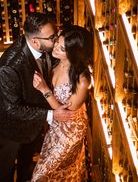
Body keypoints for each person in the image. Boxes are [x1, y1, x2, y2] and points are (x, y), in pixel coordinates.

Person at [0, 13, 76, 182]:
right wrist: (50, 115)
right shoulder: (9, 65)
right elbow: (11, 108)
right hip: (9, 126)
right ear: (35, 41)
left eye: (56, 34)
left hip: (32, 123)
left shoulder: (48, 48)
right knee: (6, 169)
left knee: (26, 163)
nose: (57, 40)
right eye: (52, 37)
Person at [31, 25, 93, 181]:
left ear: (73, 53)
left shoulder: (83, 80)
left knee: (41, 175)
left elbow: (65, 113)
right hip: (55, 127)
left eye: (62, 48)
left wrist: (44, 89)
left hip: (71, 132)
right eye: (57, 42)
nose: (56, 48)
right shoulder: (56, 61)